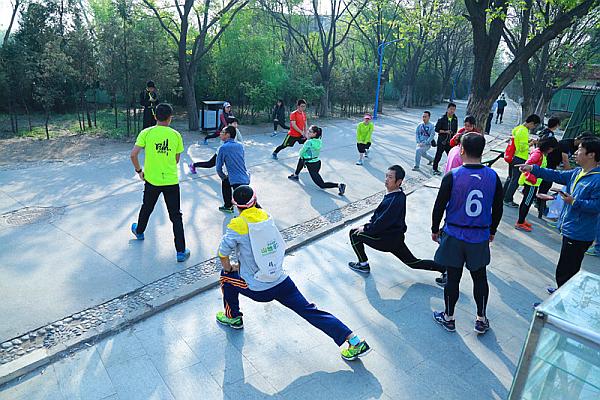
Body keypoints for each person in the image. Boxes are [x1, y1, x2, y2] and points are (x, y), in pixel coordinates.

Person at [215, 185, 372, 361]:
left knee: (225, 278)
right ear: (255, 200)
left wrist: (230, 268)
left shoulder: (237, 224)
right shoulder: (265, 216)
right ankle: (355, 341)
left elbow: (222, 253)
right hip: (281, 281)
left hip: (259, 289)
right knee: (310, 311)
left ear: (236, 204)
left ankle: (233, 317)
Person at [431, 133, 504, 333]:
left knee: (453, 278)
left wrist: (435, 229)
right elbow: (498, 208)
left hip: (454, 233)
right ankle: (481, 319)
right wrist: (492, 230)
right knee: (480, 277)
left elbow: (439, 206)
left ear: (461, 150)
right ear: (482, 150)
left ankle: (449, 317)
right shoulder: (493, 177)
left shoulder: (452, 175)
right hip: (479, 236)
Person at [518, 137, 600, 296]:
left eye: (580, 149)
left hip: (580, 232)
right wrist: (532, 168)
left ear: (591, 155)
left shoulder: (597, 179)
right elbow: (555, 174)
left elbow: (596, 206)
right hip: (570, 227)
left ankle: (561, 300)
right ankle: (562, 293)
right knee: (566, 268)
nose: (575, 153)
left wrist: (574, 202)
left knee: (566, 270)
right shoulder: (577, 172)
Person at [347, 165, 446, 276]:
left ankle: (363, 265)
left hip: (385, 240)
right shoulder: (397, 195)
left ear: (399, 181)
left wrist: (365, 228)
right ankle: (444, 269)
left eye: (390, 177)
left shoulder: (394, 200)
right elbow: (378, 217)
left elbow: (381, 222)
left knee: (353, 233)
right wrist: (368, 225)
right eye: (386, 176)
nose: (386, 179)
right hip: (395, 238)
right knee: (413, 263)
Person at [130, 103, 190, 262]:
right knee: (176, 216)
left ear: (155, 116)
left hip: (152, 181)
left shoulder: (146, 133)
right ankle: (181, 251)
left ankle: (139, 231)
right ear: (170, 118)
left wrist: (139, 171)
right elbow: (176, 160)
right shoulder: (176, 135)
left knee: (147, 207)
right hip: (171, 181)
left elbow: (133, 155)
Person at [514, 137, 558, 232]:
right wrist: (526, 168)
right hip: (531, 183)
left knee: (527, 202)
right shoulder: (538, 154)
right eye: (551, 148)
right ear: (548, 147)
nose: (551, 151)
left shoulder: (540, 153)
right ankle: (520, 222)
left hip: (534, 182)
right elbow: (527, 164)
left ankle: (522, 220)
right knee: (526, 203)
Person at [288, 125, 346, 196]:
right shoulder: (319, 140)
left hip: (312, 165)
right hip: (317, 163)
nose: (308, 132)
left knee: (322, 185)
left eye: (310, 131)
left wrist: (307, 141)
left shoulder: (309, 142)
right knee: (302, 159)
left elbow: (301, 152)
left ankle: (339, 185)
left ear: (315, 133)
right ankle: (296, 175)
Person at [503, 114, 541, 207]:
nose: (533, 127)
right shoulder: (524, 131)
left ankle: (503, 195)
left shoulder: (518, 128)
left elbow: (517, 142)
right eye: (534, 125)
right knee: (515, 180)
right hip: (520, 158)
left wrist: (528, 141)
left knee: (510, 178)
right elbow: (522, 148)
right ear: (531, 123)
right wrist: (531, 143)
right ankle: (508, 199)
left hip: (512, 156)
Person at [216, 125, 250, 213]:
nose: (220, 134)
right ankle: (228, 205)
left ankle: (228, 206)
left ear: (228, 135)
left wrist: (223, 177)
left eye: (222, 132)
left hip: (235, 180)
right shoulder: (240, 146)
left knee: (245, 206)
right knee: (226, 183)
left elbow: (218, 168)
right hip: (245, 177)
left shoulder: (223, 148)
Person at [432, 103, 458, 175]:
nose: (452, 111)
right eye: (451, 109)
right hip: (442, 141)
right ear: (447, 109)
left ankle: (451, 169)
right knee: (438, 155)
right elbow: (437, 129)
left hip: (450, 141)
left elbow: (455, 130)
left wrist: (454, 136)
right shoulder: (442, 118)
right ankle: (434, 169)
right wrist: (445, 131)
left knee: (452, 156)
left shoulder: (455, 119)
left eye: (454, 109)